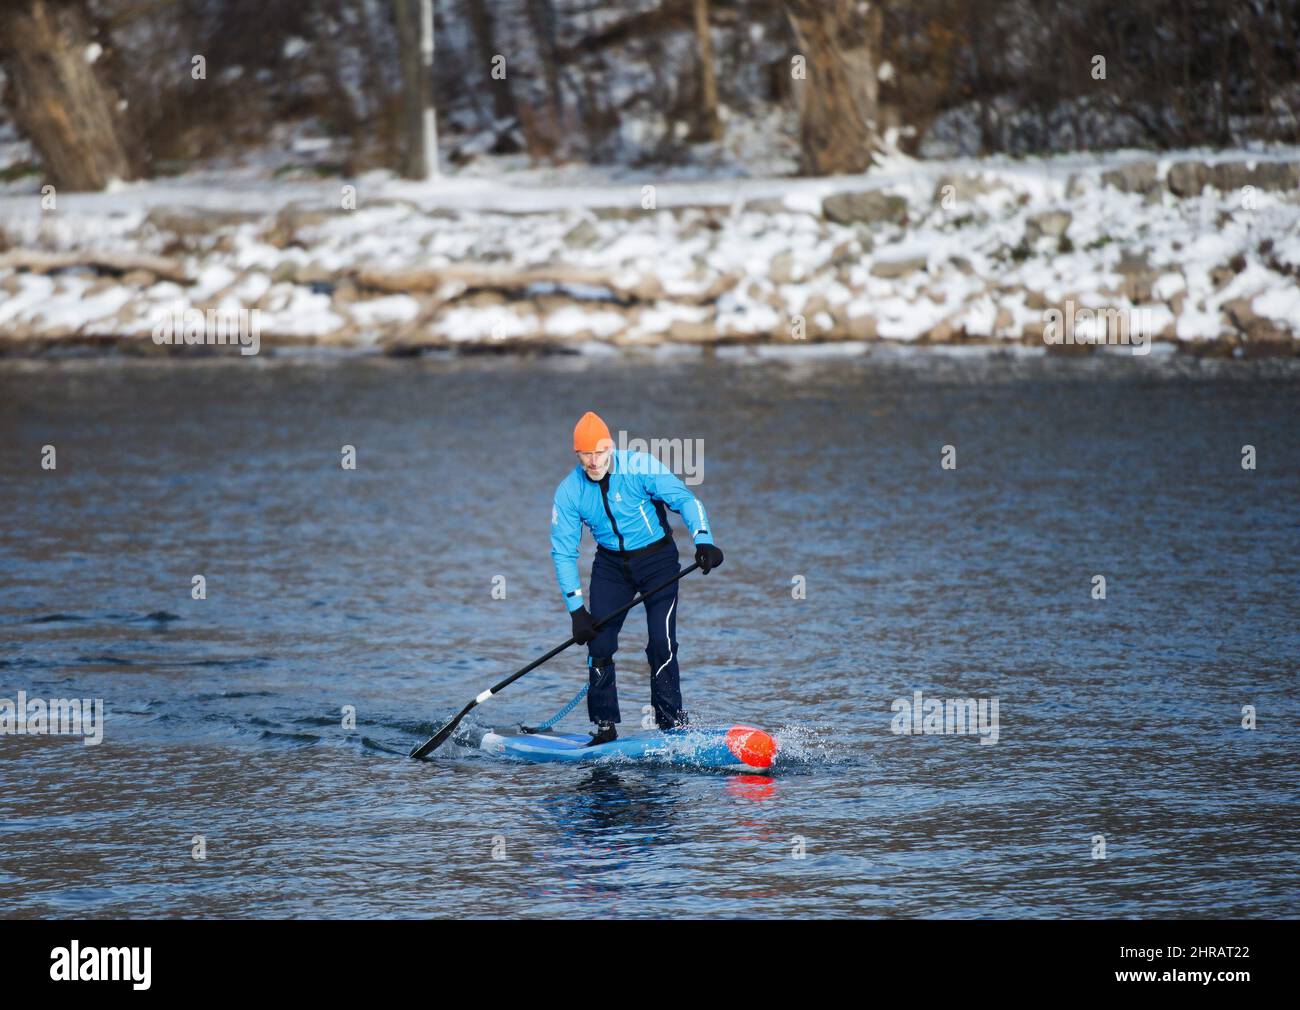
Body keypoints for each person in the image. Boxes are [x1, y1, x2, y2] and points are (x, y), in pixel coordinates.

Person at [550, 411, 724, 745]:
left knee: (661, 642)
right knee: (599, 644)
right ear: (576, 455)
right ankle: (604, 727)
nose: (593, 460)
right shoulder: (569, 492)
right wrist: (576, 610)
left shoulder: (640, 466)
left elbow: (685, 500)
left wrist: (703, 539)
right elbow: (563, 552)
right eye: (585, 454)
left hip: (658, 561)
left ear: (610, 447)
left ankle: (671, 724)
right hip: (611, 568)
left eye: (599, 452)